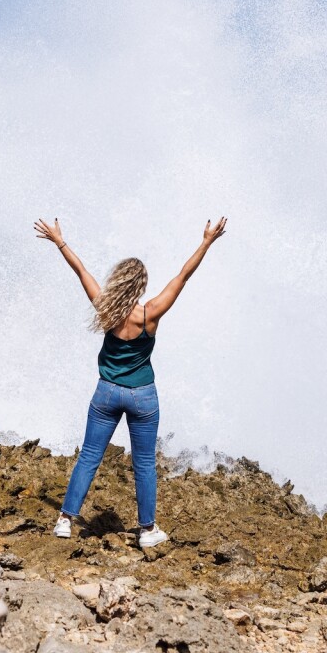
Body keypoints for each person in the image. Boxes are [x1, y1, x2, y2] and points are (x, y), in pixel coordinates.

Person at [34, 216, 228, 548]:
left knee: (90, 456)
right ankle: (148, 531)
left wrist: (59, 241)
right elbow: (183, 276)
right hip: (142, 397)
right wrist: (207, 242)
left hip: (106, 393)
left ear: (118, 282)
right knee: (144, 464)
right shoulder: (150, 313)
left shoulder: (105, 308)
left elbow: (81, 271)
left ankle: (65, 520)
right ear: (139, 286)